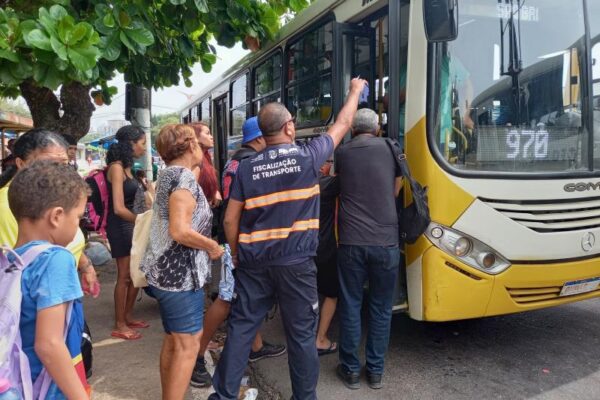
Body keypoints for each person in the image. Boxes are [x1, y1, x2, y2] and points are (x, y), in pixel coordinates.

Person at [209, 77, 367, 400]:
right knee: (300, 336)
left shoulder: (246, 169)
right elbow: (344, 122)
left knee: (241, 327)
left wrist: (237, 253)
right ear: (290, 127)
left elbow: (229, 218)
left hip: (254, 262)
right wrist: (353, 91)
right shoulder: (308, 157)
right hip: (296, 266)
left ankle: (223, 395)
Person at [190, 117, 285, 389]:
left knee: (244, 296)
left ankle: (255, 346)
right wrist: (235, 250)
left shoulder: (235, 160)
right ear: (259, 138)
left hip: (236, 239)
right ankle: (198, 355)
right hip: (239, 242)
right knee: (227, 300)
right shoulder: (249, 163)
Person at [141, 124, 224, 400]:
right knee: (188, 346)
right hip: (179, 277)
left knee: (174, 341)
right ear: (190, 146)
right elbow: (179, 230)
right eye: (199, 145)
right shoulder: (183, 180)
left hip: (167, 275)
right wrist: (211, 245)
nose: (202, 149)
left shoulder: (169, 175)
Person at [9, 160, 91, 399]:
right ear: (56, 216)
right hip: (43, 389)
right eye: (78, 217)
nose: (78, 226)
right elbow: (49, 344)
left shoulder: (11, 259)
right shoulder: (55, 259)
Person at [334, 108, 402, 390]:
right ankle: (375, 371)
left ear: (352, 129)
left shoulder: (343, 152)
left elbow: (336, 186)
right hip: (386, 242)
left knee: (350, 304)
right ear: (377, 128)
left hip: (351, 241)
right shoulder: (391, 147)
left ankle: (350, 370)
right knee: (381, 308)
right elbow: (397, 186)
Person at [0, 128, 98, 296]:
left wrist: (85, 264)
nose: (59, 171)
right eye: (49, 164)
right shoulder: (7, 204)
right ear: (21, 164)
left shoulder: (50, 196)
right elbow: (22, 267)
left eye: (64, 164)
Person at [105, 125, 148, 340]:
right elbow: (118, 208)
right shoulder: (116, 167)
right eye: (142, 143)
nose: (144, 148)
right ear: (130, 144)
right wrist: (142, 220)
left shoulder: (128, 167)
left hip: (131, 225)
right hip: (121, 226)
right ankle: (119, 324)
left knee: (134, 274)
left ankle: (128, 315)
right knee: (124, 276)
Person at [315, 158, 339, 356]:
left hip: (300, 249)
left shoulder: (299, 182)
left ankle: (302, 337)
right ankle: (320, 339)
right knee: (331, 295)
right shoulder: (328, 184)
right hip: (325, 248)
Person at [190, 122, 222, 208]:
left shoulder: (206, 156)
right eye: (207, 133)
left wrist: (214, 191)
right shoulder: (193, 160)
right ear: (196, 137)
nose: (211, 137)